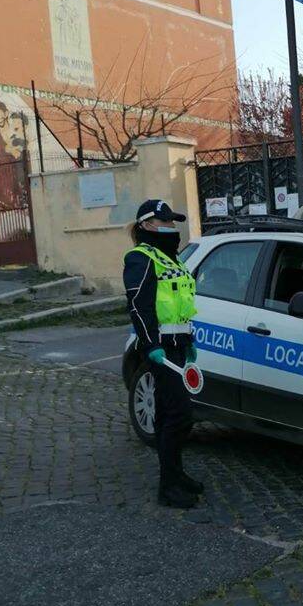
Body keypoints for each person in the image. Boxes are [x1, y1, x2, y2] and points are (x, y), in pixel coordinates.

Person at [123, 199, 201, 508]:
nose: (171, 226)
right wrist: (150, 344)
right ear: (147, 225)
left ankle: (176, 474)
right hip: (160, 349)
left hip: (179, 344)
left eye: (172, 221)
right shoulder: (140, 258)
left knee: (171, 413)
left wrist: (189, 338)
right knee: (178, 415)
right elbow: (139, 307)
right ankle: (167, 487)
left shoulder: (172, 258)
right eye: (164, 221)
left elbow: (180, 304)